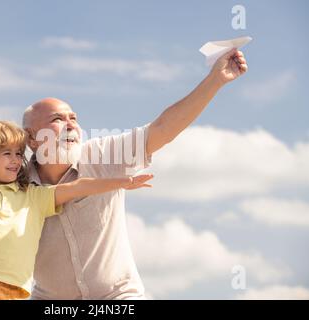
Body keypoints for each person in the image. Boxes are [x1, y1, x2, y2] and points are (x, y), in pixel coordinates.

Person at [22, 49, 248, 299]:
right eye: (57, 119)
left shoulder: (103, 155)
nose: (71, 124)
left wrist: (215, 80)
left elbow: (162, 128)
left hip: (118, 297)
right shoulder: (14, 183)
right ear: (32, 138)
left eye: (73, 118)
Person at [0, 120, 153, 300]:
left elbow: (78, 186)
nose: (16, 160)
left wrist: (120, 182)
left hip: (17, 291)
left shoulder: (34, 196)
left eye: (18, 153)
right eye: (7, 154)